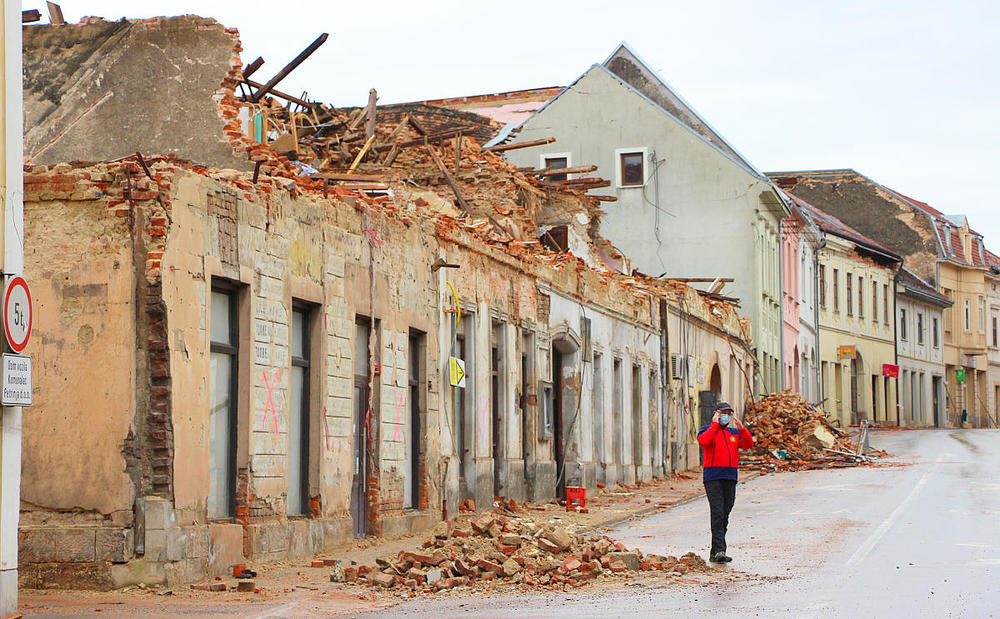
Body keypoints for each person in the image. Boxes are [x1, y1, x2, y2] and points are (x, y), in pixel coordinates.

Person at [697, 401, 754, 563]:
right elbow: (704, 441)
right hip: (713, 476)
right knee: (717, 512)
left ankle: (715, 551)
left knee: (726, 512)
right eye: (723, 413)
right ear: (716, 414)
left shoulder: (733, 433)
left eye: (729, 413)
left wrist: (742, 429)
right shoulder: (706, 430)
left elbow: (748, 444)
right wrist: (714, 425)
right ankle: (720, 550)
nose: (726, 417)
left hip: (730, 476)